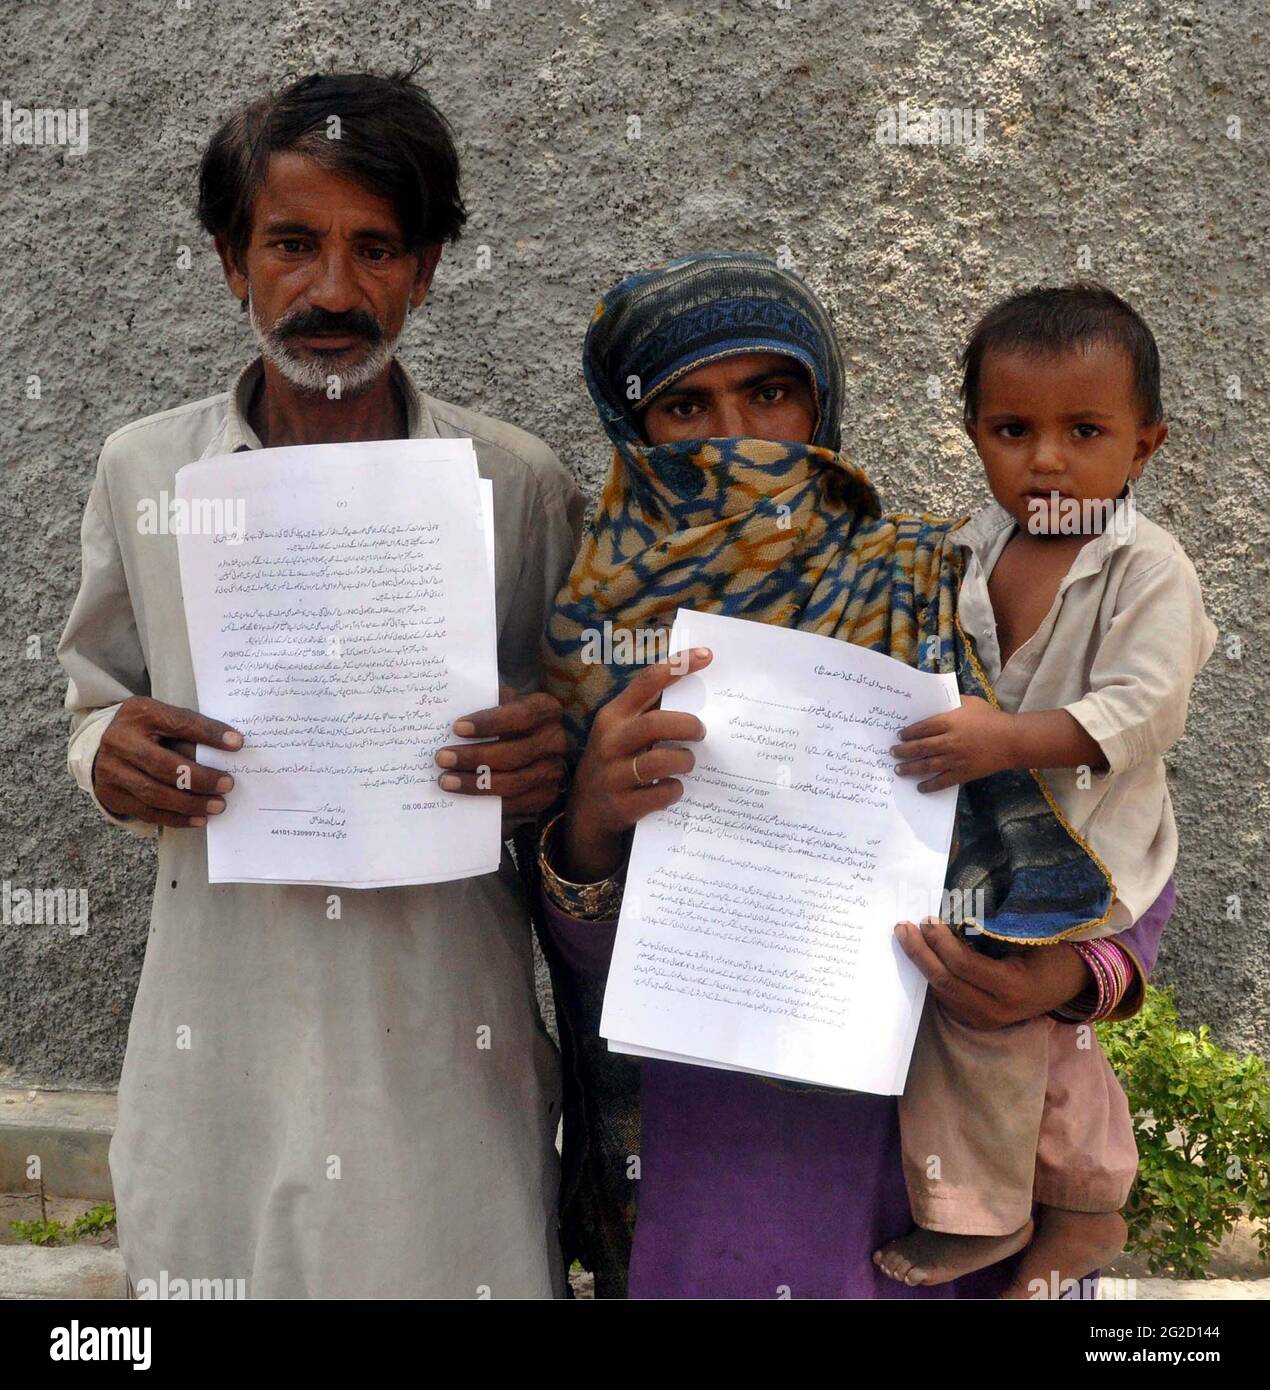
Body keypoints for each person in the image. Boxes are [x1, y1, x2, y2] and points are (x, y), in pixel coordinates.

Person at [534, 251, 1173, 1298]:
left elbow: (1108, 812)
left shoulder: (943, 582)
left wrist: (1065, 977)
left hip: (942, 1164)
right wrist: (592, 820)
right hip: (717, 1155)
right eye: (686, 403)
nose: (734, 433)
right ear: (630, 424)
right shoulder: (596, 635)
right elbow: (586, 950)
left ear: (821, 400)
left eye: (769, 392)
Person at [57, 71, 584, 1298]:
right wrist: (110, 758)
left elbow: (574, 746)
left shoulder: (514, 482)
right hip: (220, 1011)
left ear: (429, 268)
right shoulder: (145, 468)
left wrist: (548, 767)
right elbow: (94, 700)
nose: (333, 292)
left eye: (376, 248)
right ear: (230, 259)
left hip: (442, 1015)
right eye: (292, 244)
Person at [873, 283, 1217, 1296]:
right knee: (1024, 1028)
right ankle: (1087, 1207)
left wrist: (1003, 739)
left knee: (986, 1016)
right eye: (1013, 428)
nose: (1048, 459)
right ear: (974, 433)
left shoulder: (1147, 570)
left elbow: (1144, 710)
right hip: (988, 844)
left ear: (1144, 447)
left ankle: (983, 1213)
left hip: (1093, 849)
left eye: (1084, 430)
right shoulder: (959, 554)